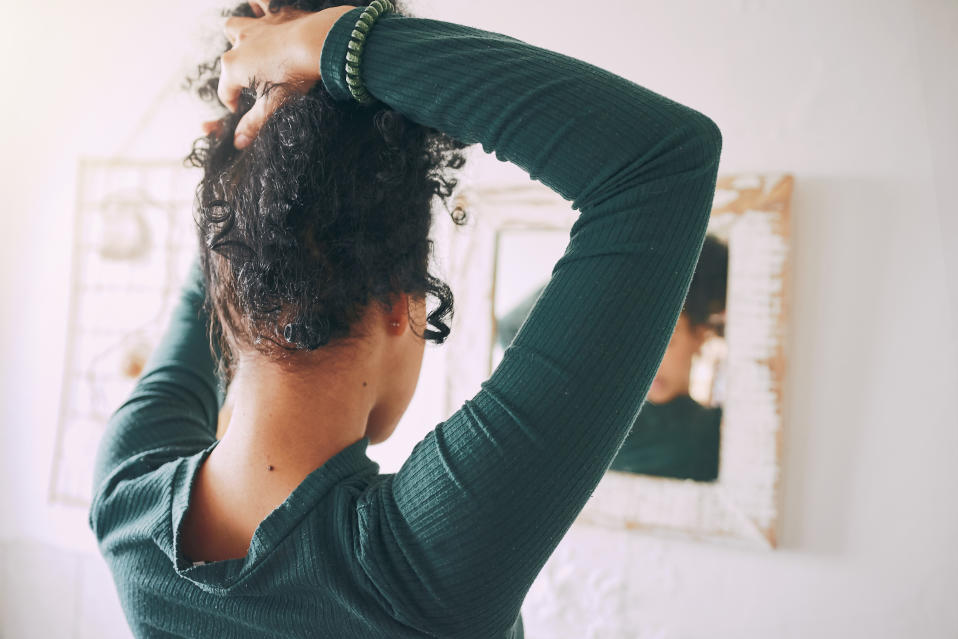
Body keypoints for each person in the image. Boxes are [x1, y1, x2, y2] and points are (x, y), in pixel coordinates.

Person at [88, 1, 723, 637]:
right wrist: (324, 46)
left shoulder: (128, 498)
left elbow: (661, 162)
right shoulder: (416, 565)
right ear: (401, 303)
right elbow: (657, 161)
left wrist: (250, 154)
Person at [497, 235, 728, 481]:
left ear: (701, 335)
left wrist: (618, 263)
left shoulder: (713, 434)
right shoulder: (599, 411)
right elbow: (513, 330)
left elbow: (513, 329)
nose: (646, 364)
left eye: (665, 341)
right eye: (633, 342)